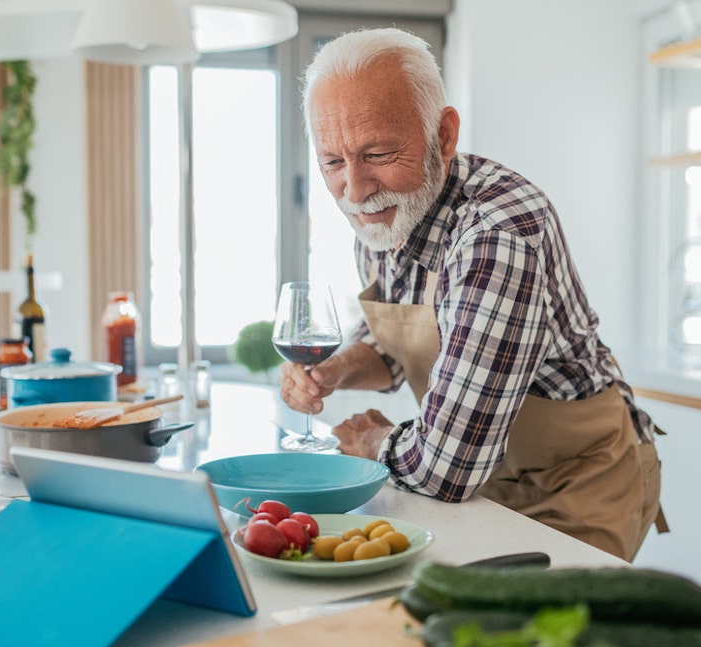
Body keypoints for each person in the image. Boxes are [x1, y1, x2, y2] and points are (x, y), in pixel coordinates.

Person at [282, 27, 667, 562]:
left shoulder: (498, 235)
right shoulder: (383, 213)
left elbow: (447, 468)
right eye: (332, 162)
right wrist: (336, 369)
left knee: (536, 642)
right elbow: (394, 345)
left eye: (377, 152)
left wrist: (371, 442)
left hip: (577, 486)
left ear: (442, 135)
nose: (356, 188)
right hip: (482, 481)